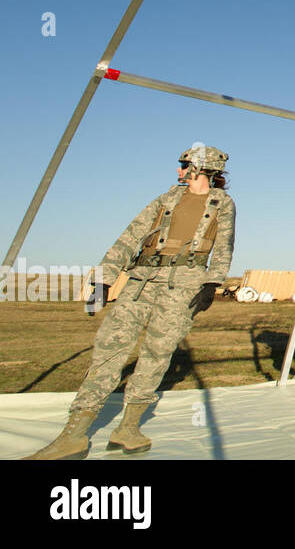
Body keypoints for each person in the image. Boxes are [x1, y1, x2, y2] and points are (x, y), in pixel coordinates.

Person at [26, 144, 236, 459]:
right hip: (140, 282)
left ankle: (129, 428)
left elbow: (224, 246)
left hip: (183, 288)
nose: (178, 170)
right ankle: (74, 436)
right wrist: (104, 279)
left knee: (156, 355)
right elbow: (128, 237)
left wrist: (212, 283)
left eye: (184, 164)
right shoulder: (166, 199)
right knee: (108, 349)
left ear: (203, 168)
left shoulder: (223, 204)